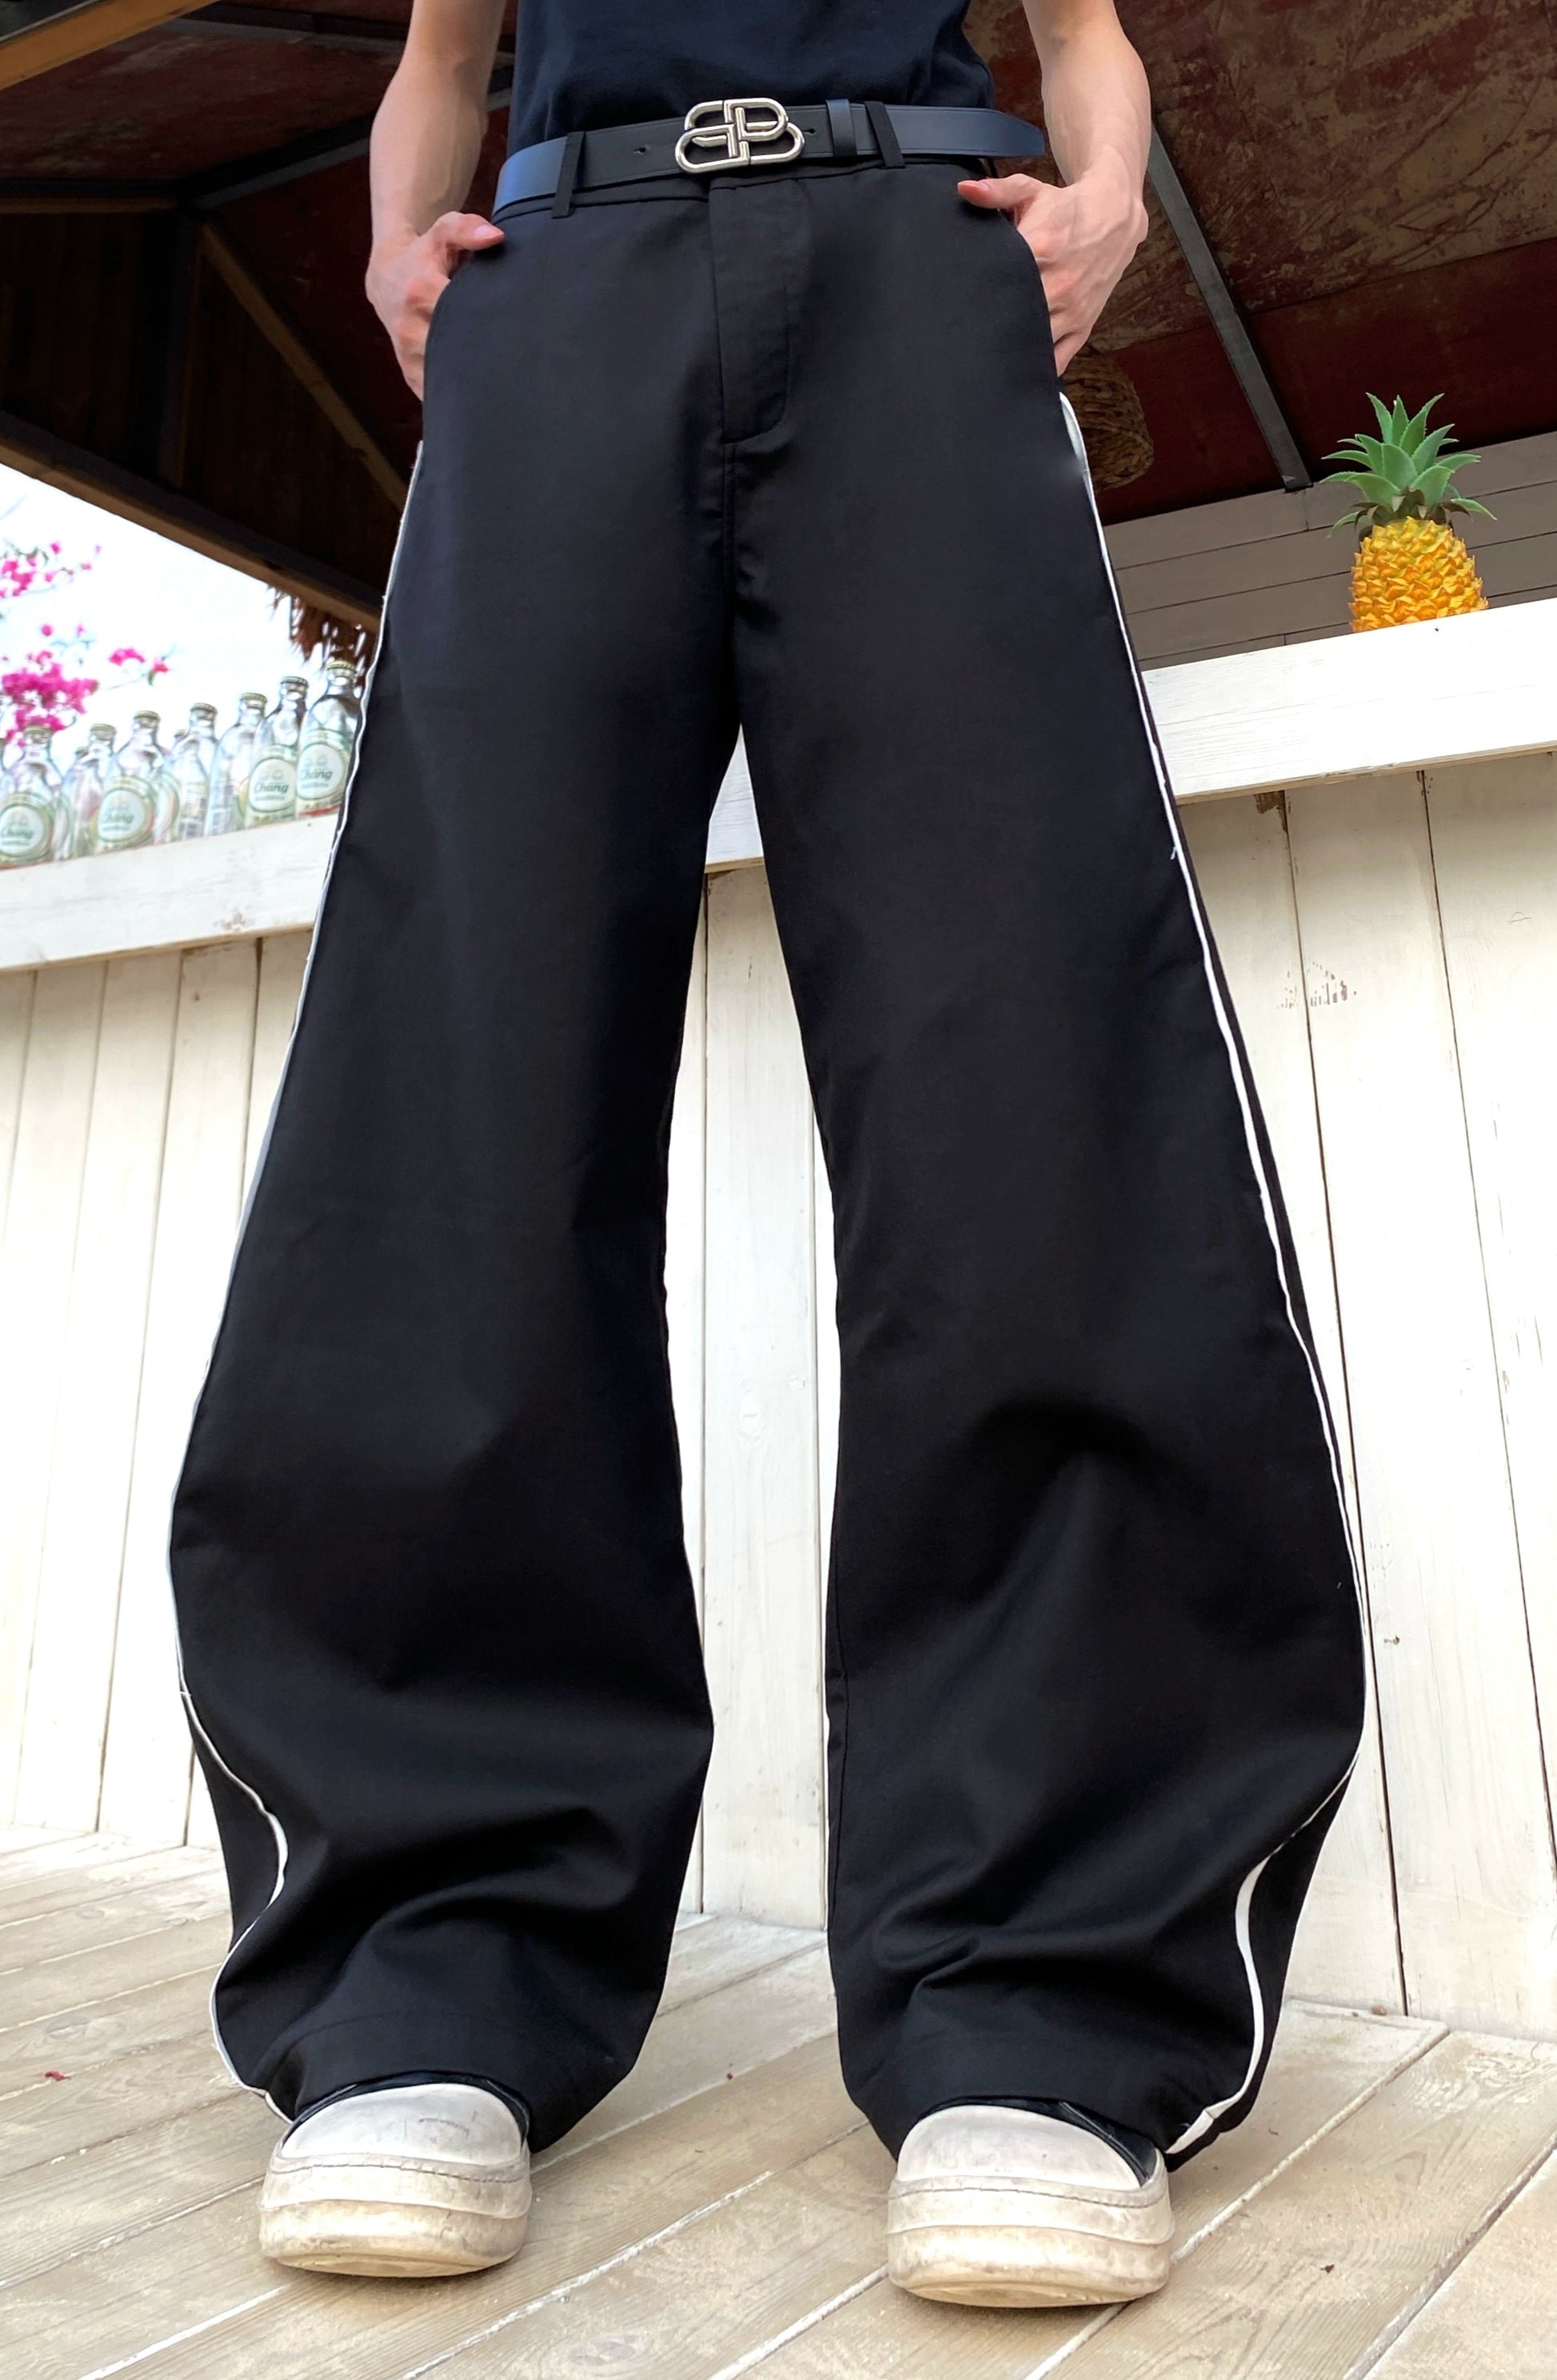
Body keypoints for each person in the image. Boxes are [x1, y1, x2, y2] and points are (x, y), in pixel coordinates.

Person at [170, 0, 1365, 2310]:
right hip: (558, 294)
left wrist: (1107, 193)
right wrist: (404, 249)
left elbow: (1084, 31)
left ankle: (1044, 2002)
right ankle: (433, 1961)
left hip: (913, 256)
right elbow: (441, 57)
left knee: (1021, 1060)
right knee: (462, 1068)